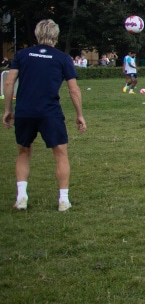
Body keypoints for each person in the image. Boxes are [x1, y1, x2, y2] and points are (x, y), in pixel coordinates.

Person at [3, 19, 87, 212]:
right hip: (50, 113)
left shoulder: (22, 55)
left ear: (37, 34)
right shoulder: (62, 58)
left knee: (23, 152)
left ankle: (21, 197)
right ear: (56, 37)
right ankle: (63, 200)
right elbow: (73, 90)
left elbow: (9, 82)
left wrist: (8, 110)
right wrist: (79, 114)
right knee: (60, 154)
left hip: (25, 112)